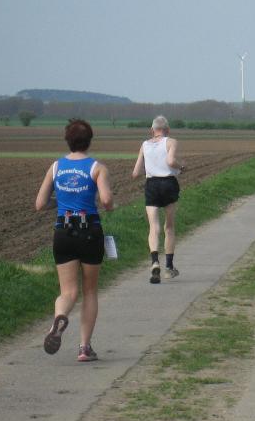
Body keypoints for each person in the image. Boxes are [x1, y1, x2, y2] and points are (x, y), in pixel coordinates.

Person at [35, 119, 114, 362]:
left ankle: (59, 318)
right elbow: (106, 201)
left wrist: (60, 202)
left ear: (67, 141)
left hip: (63, 231)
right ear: (89, 141)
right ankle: (84, 348)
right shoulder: (97, 168)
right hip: (89, 230)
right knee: (90, 291)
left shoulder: (56, 167)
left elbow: (40, 204)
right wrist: (106, 204)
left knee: (68, 291)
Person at [132, 115, 185, 284]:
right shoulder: (171, 142)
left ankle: (155, 262)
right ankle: (169, 267)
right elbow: (170, 161)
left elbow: (135, 173)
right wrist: (181, 166)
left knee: (153, 227)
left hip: (152, 185)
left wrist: (150, 167)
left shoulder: (144, 145)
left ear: (152, 130)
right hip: (169, 183)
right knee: (169, 226)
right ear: (167, 129)